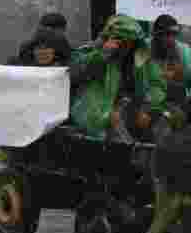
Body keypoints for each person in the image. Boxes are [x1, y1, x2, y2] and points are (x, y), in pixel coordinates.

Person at [67, 14, 168, 142]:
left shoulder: (142, 59)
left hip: (130, 114)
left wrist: (149, 110)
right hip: (94, 118)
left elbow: (157, 85)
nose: (126, 46)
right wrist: (102, 54)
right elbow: (75, 72)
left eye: (130, 42)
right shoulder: (90, 52)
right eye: (121, 40)